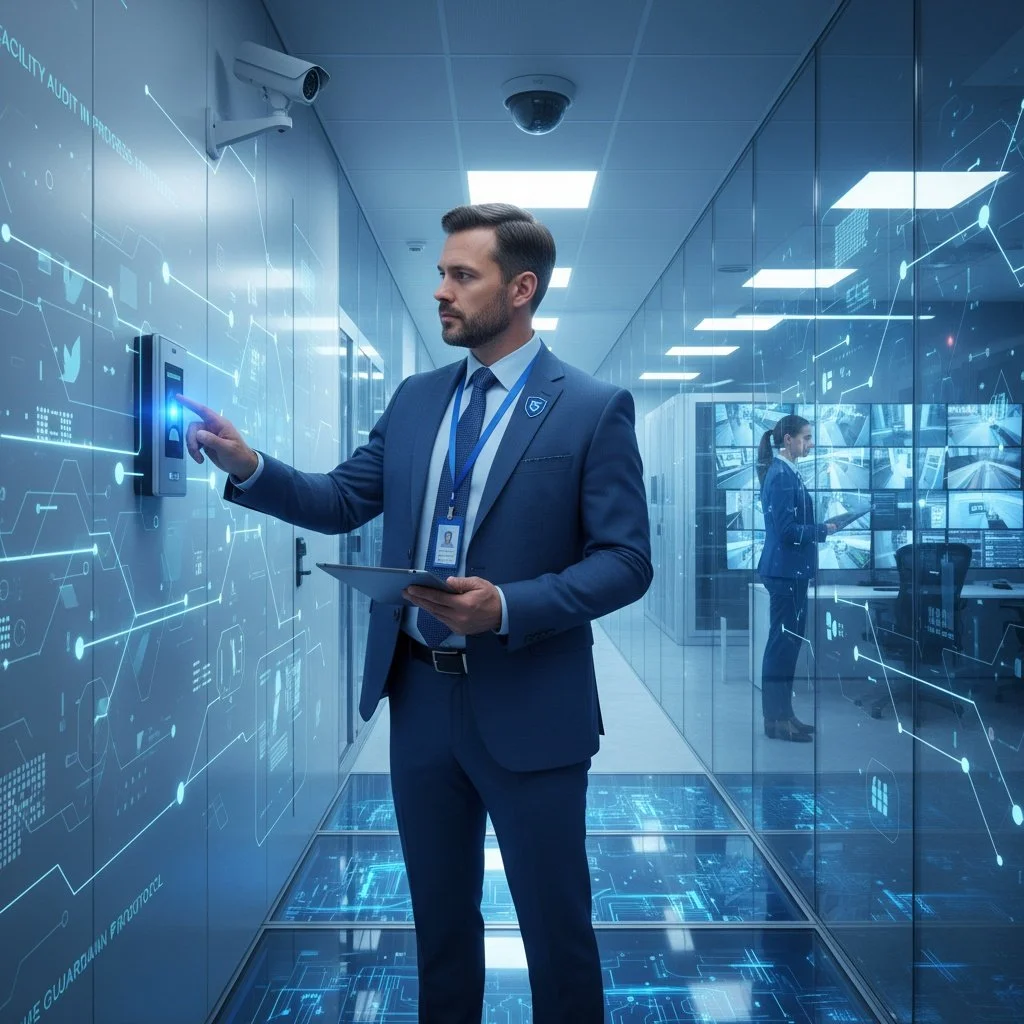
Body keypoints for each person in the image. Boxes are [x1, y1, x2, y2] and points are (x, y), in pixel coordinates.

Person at [179, 203, 652, 1022]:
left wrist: (506, 606)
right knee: (439, 927)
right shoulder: (416, 399)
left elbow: (626, 562)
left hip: (532, 704)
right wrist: (249, 465)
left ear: (521, 290)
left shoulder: (590, 406)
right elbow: (339, 499)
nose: (440, 290)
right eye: (440, 273)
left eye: (462, 275)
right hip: (421, 698)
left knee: (557, 933)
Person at [755, 414, 836, 743]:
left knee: (787, 647)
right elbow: (787, 531)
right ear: (787, 440)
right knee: (781, 648)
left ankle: (783, 715)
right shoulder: (781, 476)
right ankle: (776, 720)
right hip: (785, 571)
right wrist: (822, 530)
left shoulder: (786, 472)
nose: (810, 444)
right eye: (806, 437)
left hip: (791, 571)